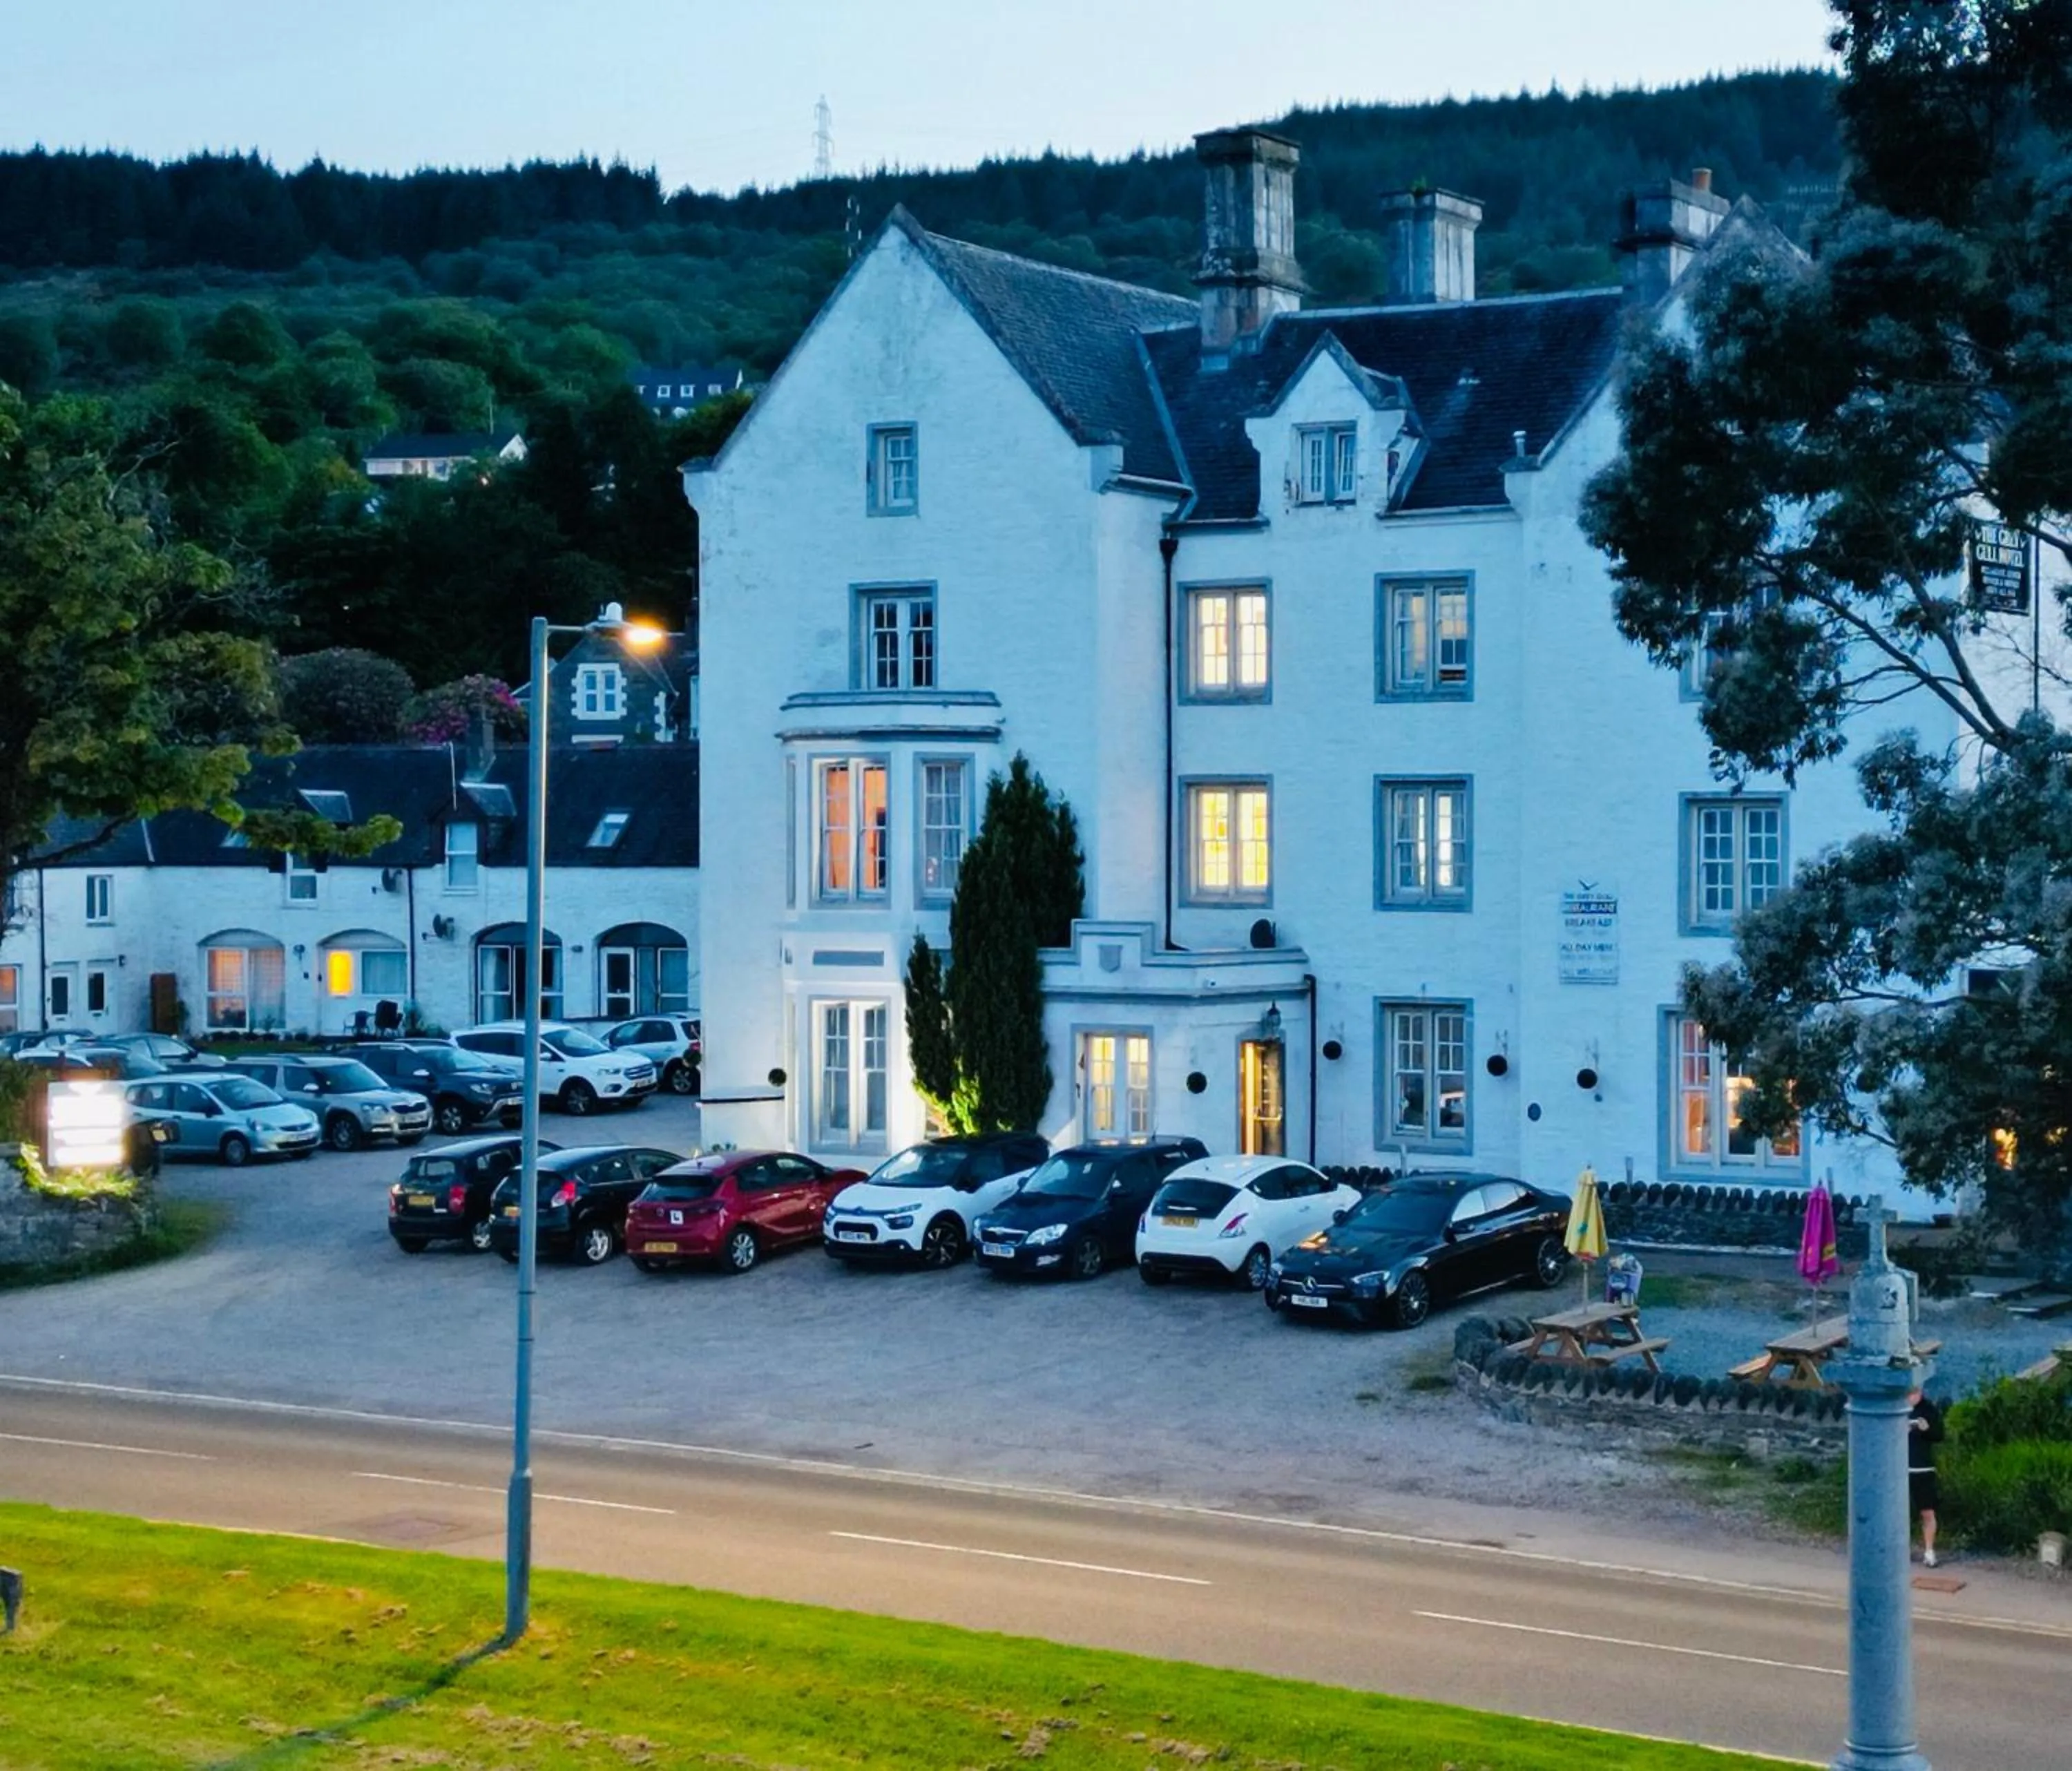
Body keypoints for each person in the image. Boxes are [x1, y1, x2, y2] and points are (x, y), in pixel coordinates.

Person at [1908, 1386, 1946, 1567]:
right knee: (1898, 1512)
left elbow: (1939, 1435)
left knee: (1927, 1512)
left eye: (1914, 1392)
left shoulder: (1928, 1409)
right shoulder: (1895, 1405)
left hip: (1923, 1468)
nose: (1911, 1396)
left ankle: (1929, 1551)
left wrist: (1926, 1429)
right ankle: (1899, 1548)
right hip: (1898, 1470)